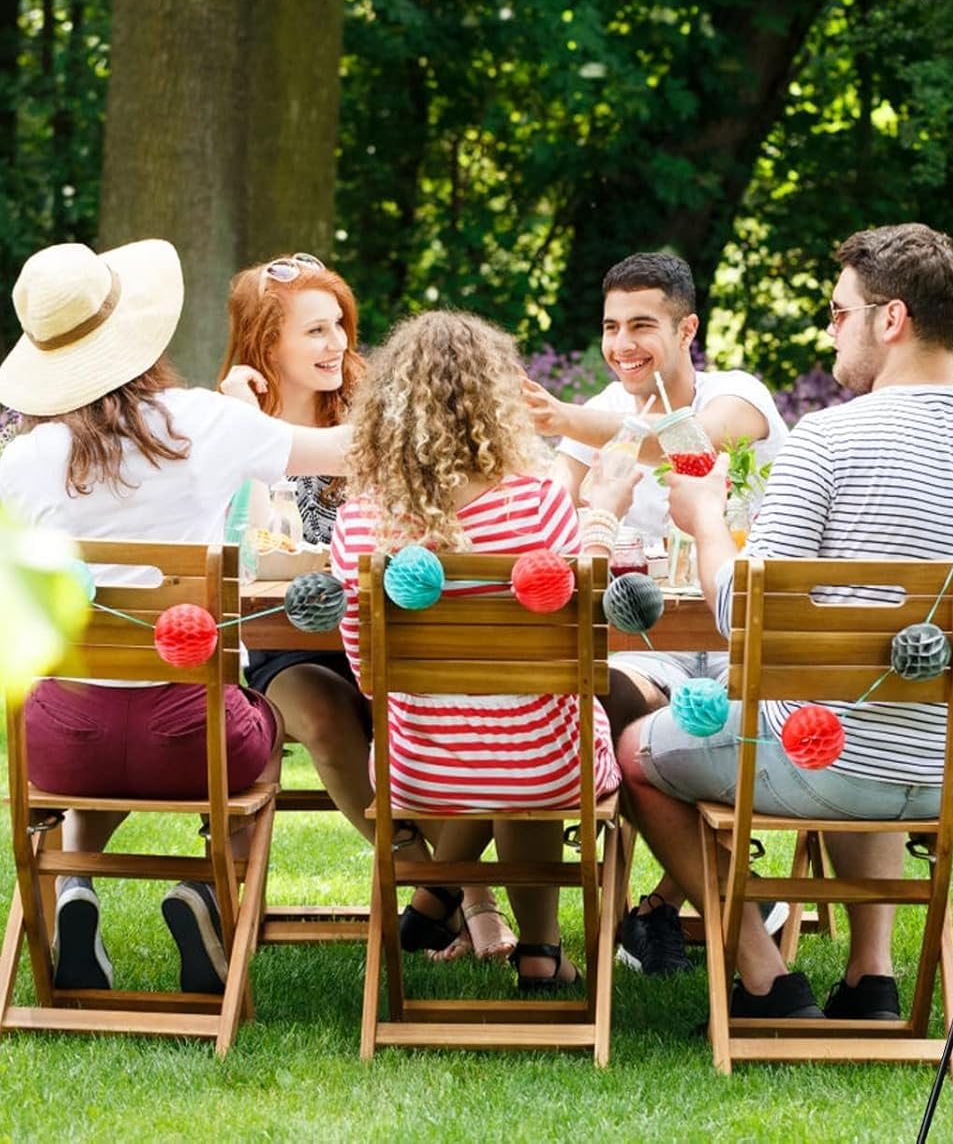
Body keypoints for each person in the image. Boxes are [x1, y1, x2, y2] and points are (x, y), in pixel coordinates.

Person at [620, 223, 953, 1020]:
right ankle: (871, 979)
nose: (830, 331)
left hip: (823, 758)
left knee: (633, 752)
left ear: (890, 319)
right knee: (868, 711)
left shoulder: (828, 440)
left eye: (838, 313)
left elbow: (745, 616)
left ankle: (766, 977)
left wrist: (705, 522)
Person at [0, 239, 351, 995]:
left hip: (59, 747)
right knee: (264, 724)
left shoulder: (19, 463)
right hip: (194, 743)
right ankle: (206, 893)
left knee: (100, 730)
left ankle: (71, 890)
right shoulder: (203, 422)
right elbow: (343, 450)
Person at [329, 311, 639, 981]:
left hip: (419, 771)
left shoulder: (358, 524)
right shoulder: (538, 506)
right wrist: (604, 514)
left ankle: (440, 893)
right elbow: (588, 634)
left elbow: (368, 676)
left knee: (501, 735)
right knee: (532, 729)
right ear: (495, 403)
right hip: (548, 767)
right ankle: (541, 952)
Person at [521, 251, 788, 974]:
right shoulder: (600, 412)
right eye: (611, 327)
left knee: (690, 723)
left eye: (641, 325)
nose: (622, 344)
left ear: (687, 329)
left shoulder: (738, 394)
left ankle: (672, 899)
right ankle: (726, 886)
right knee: (600, 697)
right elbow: (549, 515)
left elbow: (693, 443)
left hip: (742, 649)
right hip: (650, 649)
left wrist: (568, 419)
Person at [216, 254, 379, 851]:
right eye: (315, 330)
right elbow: (258, 549)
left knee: (435, 717)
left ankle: (460, 887)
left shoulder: (372, 414)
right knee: (322, 715)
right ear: (267, 342)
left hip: (382, 632)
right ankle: (426, 875)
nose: (337, 343)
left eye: (339, 325)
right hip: (285, 644)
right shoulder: (226, 423)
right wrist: (245, 428)